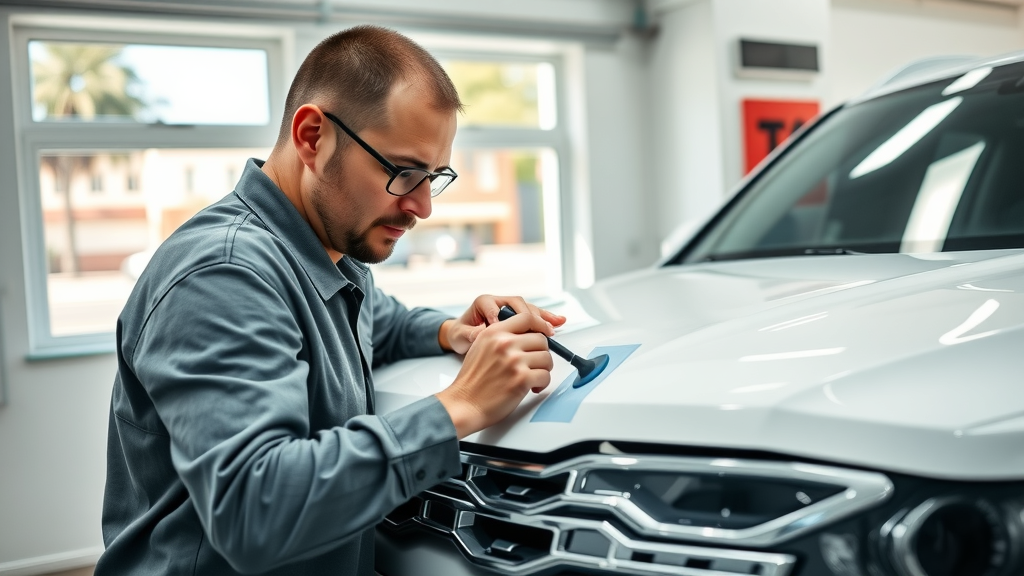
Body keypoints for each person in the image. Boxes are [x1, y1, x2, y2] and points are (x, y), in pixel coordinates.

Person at [96, 25, 565, 576]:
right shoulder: (224, 274)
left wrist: (452, 332)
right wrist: (462, 404)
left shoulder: (329, 252)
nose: (422, 207)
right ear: (312, 137)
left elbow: (379, 323)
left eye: (432, 177)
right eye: (403, 172)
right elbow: (254, 510)